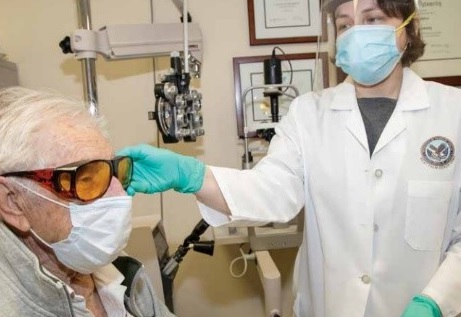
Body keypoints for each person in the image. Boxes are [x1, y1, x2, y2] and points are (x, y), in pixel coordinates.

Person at [119, 0, 461, 316]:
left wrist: (435, 301)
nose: (356, 33)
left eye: (373, 19)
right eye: (344, 26)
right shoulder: (309, 114)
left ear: (410, 29)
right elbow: (271, 190)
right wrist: (190, 175)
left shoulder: (453, 112)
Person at [0, 87, 175, 317]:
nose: (119, 195)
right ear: (13, 202)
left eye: (115, 170)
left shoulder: (119, 272)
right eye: (85, 178)